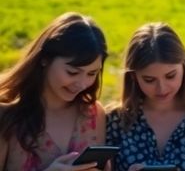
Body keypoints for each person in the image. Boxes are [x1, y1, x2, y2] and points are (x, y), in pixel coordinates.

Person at [0, 12, 109, 171]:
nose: (82, 83)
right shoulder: (6, 115)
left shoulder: (93, 114)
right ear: (45, 59)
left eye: (92, 74)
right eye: (72, 72)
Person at [106, 23, 185, 171]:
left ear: (184, 67)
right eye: (149, 80)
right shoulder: (115, 120)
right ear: (134, 77)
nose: (162, 88)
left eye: (170, 76)